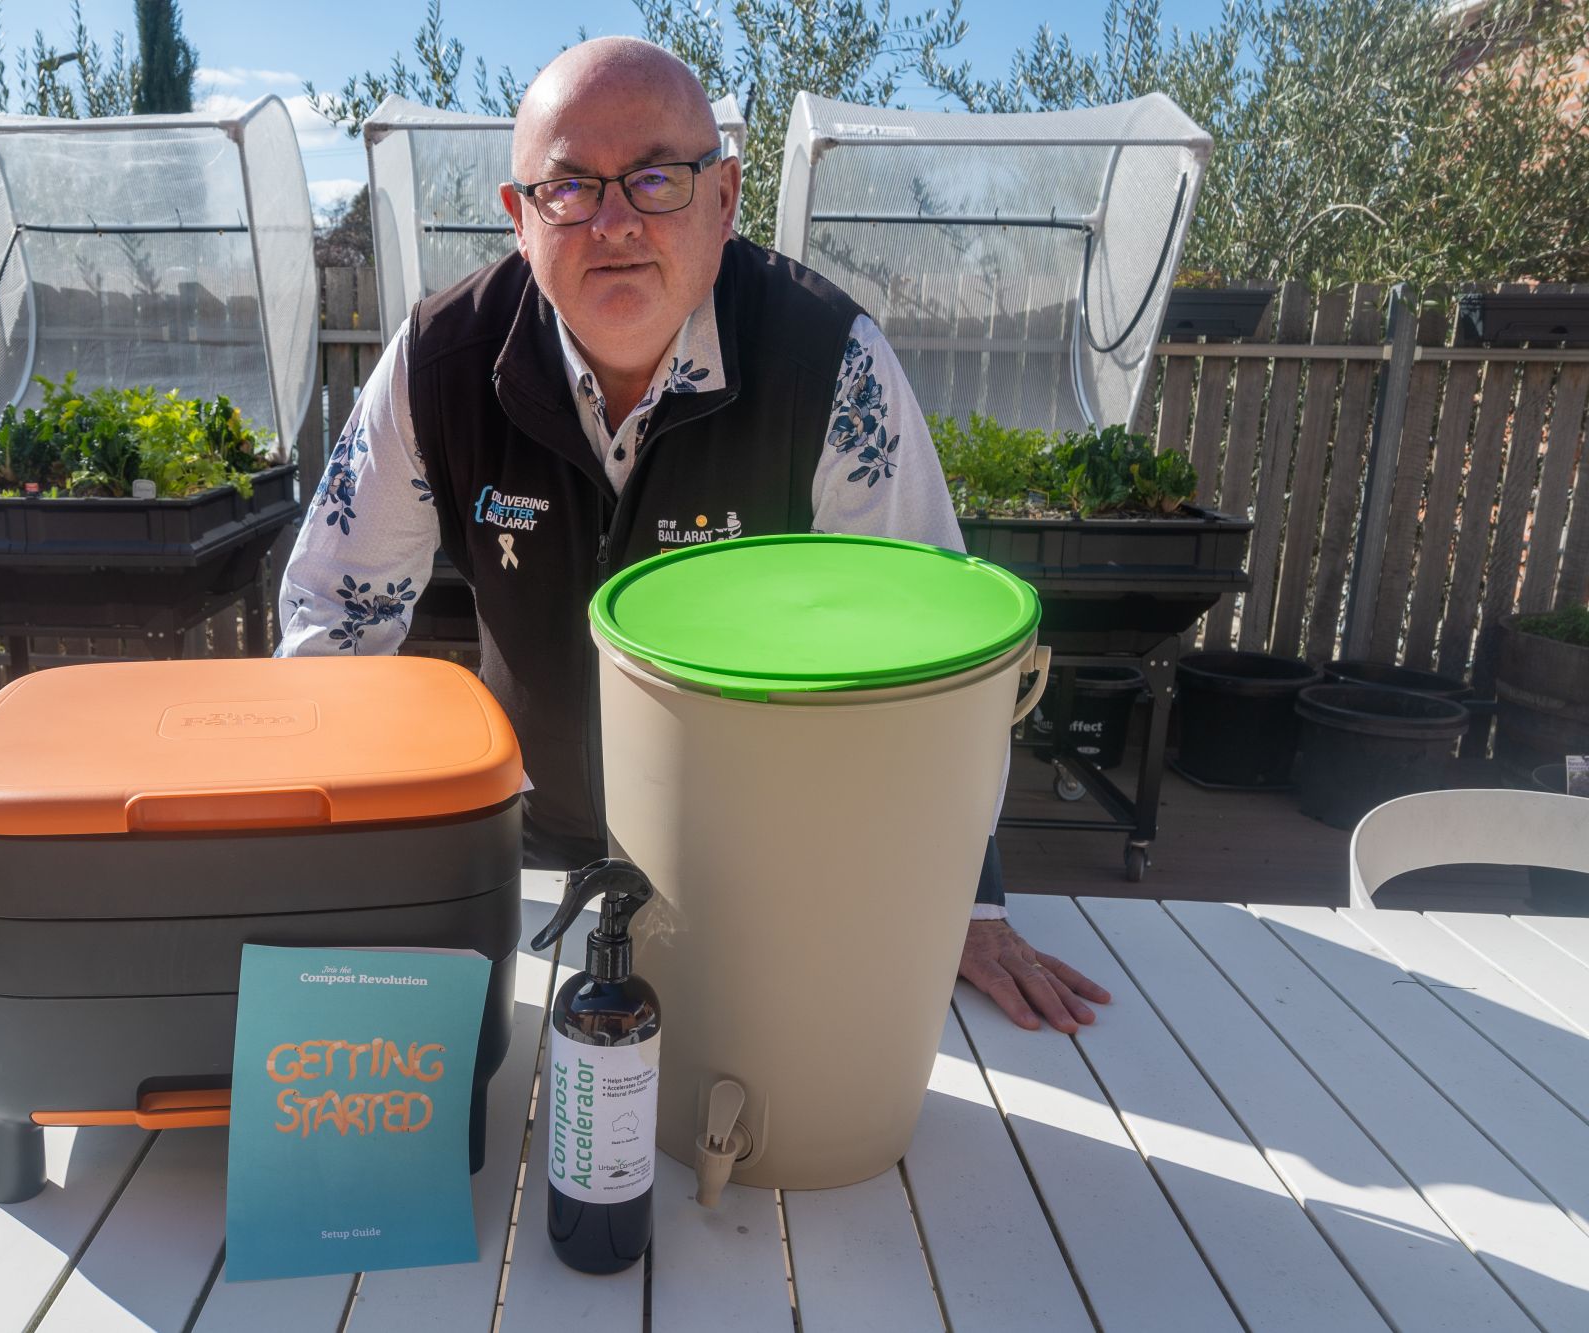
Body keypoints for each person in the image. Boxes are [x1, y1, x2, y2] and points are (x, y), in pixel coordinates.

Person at [277, 36, 1109, 1033]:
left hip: (763, 878)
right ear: (518, 218)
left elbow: (933, 665)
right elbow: (332, 616)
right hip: (524, 864)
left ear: (722, 198)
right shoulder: (435, 365)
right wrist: (315, 871)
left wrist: (960, 903)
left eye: (656, 178)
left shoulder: (830, 364)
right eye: (570, 187)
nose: (615, 222)